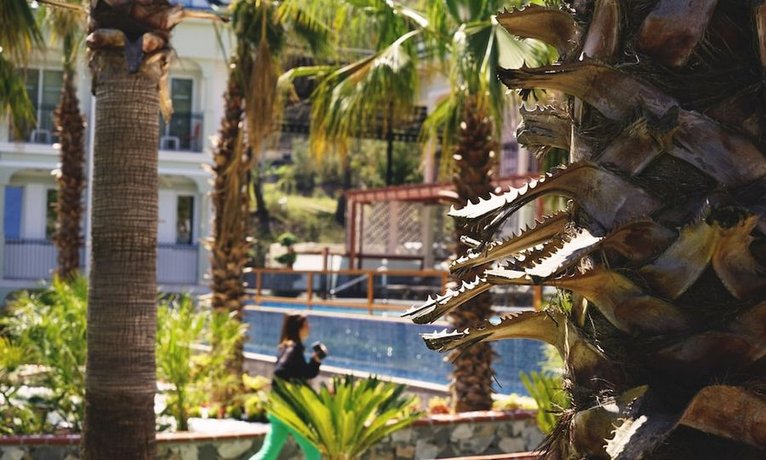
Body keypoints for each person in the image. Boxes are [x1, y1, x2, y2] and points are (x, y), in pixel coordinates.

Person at [250, 313, 325, 460]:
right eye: (306, 325)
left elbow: (303, 372)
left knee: (269, 453)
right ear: (299, 328)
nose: (309, 327)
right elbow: (281, 371)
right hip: (288, 410)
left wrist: (315, 360)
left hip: (277, 409)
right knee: (313, 450)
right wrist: (288, 395)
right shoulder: (294, 349)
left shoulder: (287, 347)